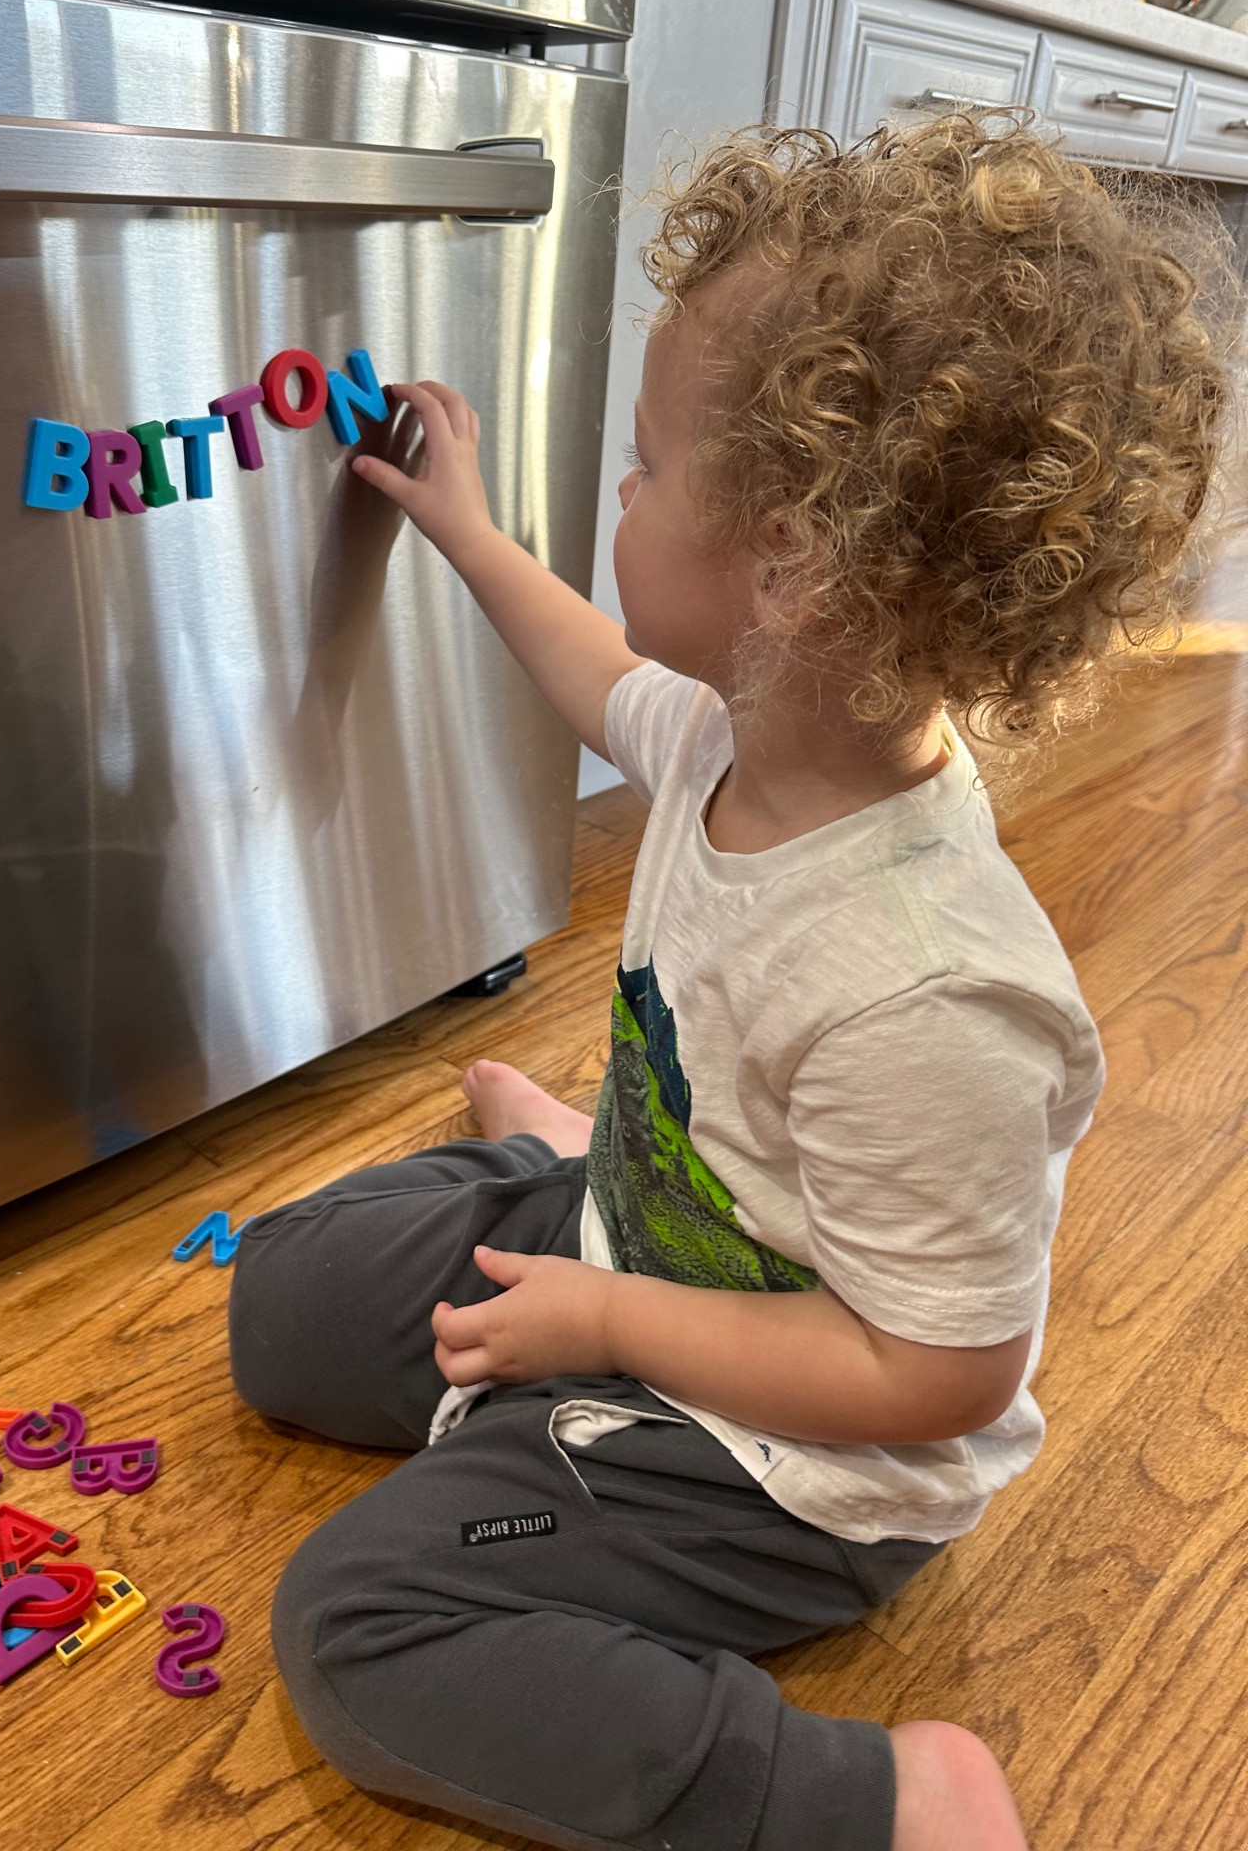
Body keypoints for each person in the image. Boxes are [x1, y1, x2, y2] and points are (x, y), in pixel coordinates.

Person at [229, 114, 1235, 1851]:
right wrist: (464, 531)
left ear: (792, 566)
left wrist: (607, 1321)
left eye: (641, 466)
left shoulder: (927, 998)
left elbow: (938, 1377)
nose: (617, 493)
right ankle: (603, 1155)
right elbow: (594, 664)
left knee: (357, 1624)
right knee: (280, 1303)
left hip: (787, 1464)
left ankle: (879, 1805)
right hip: (646, 1249)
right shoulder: (731, 732)